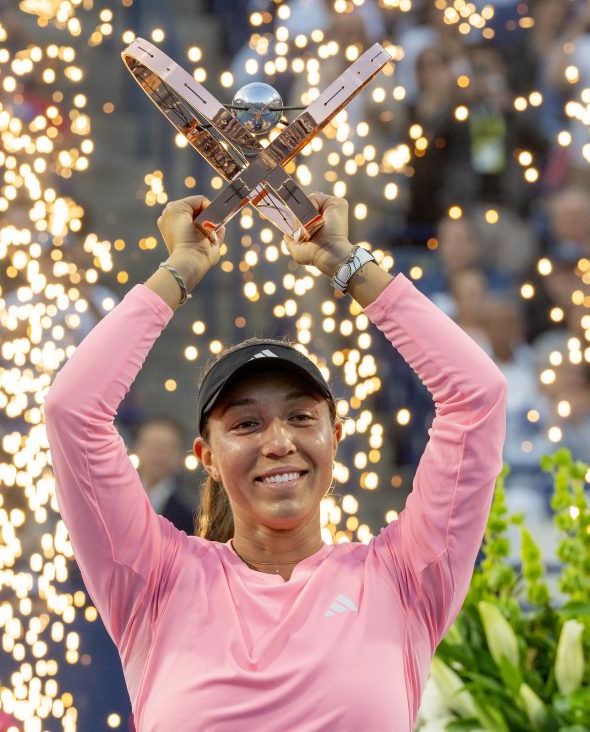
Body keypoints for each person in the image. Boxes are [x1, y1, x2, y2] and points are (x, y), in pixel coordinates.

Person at [44, 194, 508, 729]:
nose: (279, 441)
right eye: (245, 424)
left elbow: (478, 395)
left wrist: (346, 262)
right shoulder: (156, 582)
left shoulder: (404, 578)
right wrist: (180, 269)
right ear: (207, 457)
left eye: (301, 418)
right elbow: (72, 411)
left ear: (335, 437)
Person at [131, 416, 196, 534]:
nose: (159, 456)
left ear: (179, 454)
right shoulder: (114, 497)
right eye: (153, 446)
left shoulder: (189, 514)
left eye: (166, 448)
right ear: (138, 448)